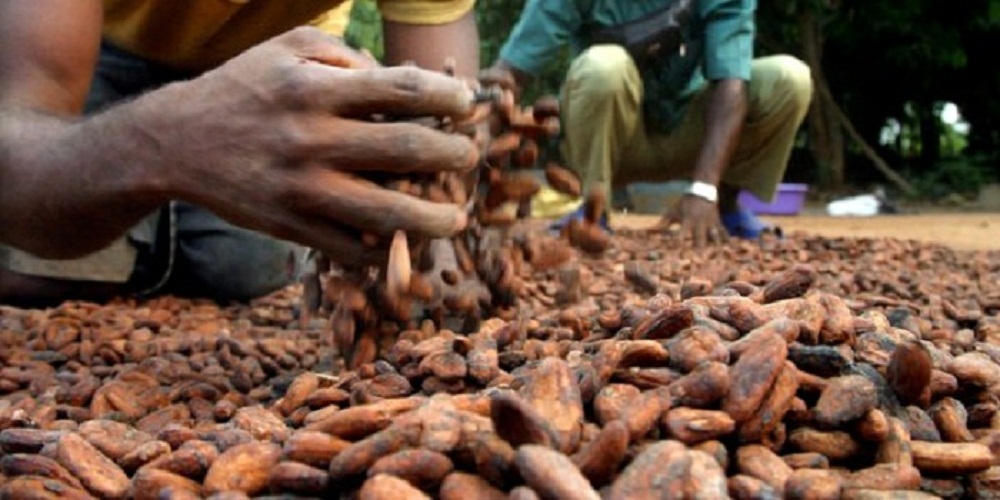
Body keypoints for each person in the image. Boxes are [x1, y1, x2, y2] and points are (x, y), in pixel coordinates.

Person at [0, 0, 483, 306]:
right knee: (44, 277)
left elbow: (444, 125)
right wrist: (169, 140)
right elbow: (15, 151)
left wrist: (432, 225)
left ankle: (155, 235)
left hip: (275, 59)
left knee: (247, 271)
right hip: (96, 45)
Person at [482, 0, 813, 247]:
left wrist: (704, 188)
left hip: (693, 136)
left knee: (789, 79)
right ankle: (595, 212)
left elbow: (731, 81)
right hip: (615, 142)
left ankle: (723, 206)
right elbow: (511, 70)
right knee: (602, 65)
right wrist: (483, 113)